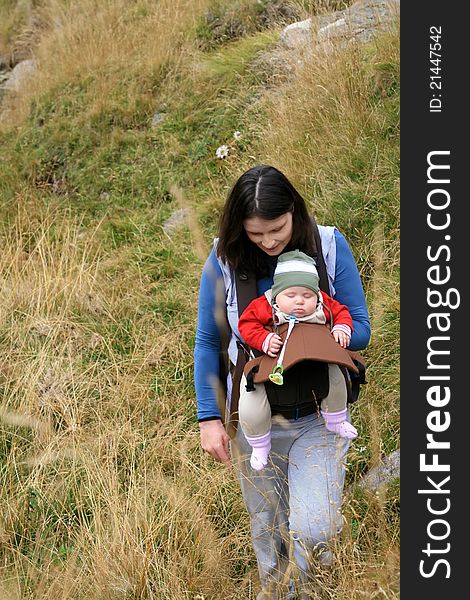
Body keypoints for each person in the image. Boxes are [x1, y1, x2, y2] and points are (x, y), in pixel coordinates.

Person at [194, 165, 370, 599]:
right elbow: (207, 342)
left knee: (313, 526)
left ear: (294, 210)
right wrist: (209, 418)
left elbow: (361, 326)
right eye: (256, 234)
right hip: (255, 421)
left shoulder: (328, 246)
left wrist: (311, 332)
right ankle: (277, 593)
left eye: (276, 228)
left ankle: (314, 580)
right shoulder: (222, 261)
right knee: (268, 525)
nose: (269, 242)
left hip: (317, 415)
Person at [238, 249, 358, 471]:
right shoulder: (265, 305)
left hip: (317, 359)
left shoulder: (324, 303)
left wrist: (342, 327)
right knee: (252, 399)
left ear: (316, 294)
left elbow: (342, 312)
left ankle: (336, 419)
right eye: (291, 295)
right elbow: (246, 324)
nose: (299, 302)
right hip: (273, 363)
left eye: (307, 295)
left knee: (337, 376)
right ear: (277, 293)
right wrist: (263, 339)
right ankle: (259, 443)